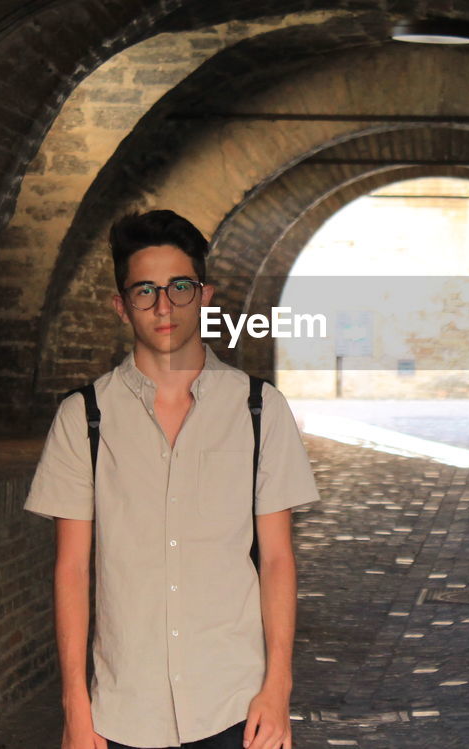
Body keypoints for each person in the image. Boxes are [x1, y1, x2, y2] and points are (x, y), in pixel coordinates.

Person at [24, 210, 319, 749]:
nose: (164, 306)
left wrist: (277, 690)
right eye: (145, 291)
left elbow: (277, 559)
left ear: (204, 296)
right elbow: (71, 569)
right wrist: (75, 706)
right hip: (123, 712)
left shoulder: (260, 410)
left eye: (179, 287)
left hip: (235, 705)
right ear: (121, 306)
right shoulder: (83, 418)